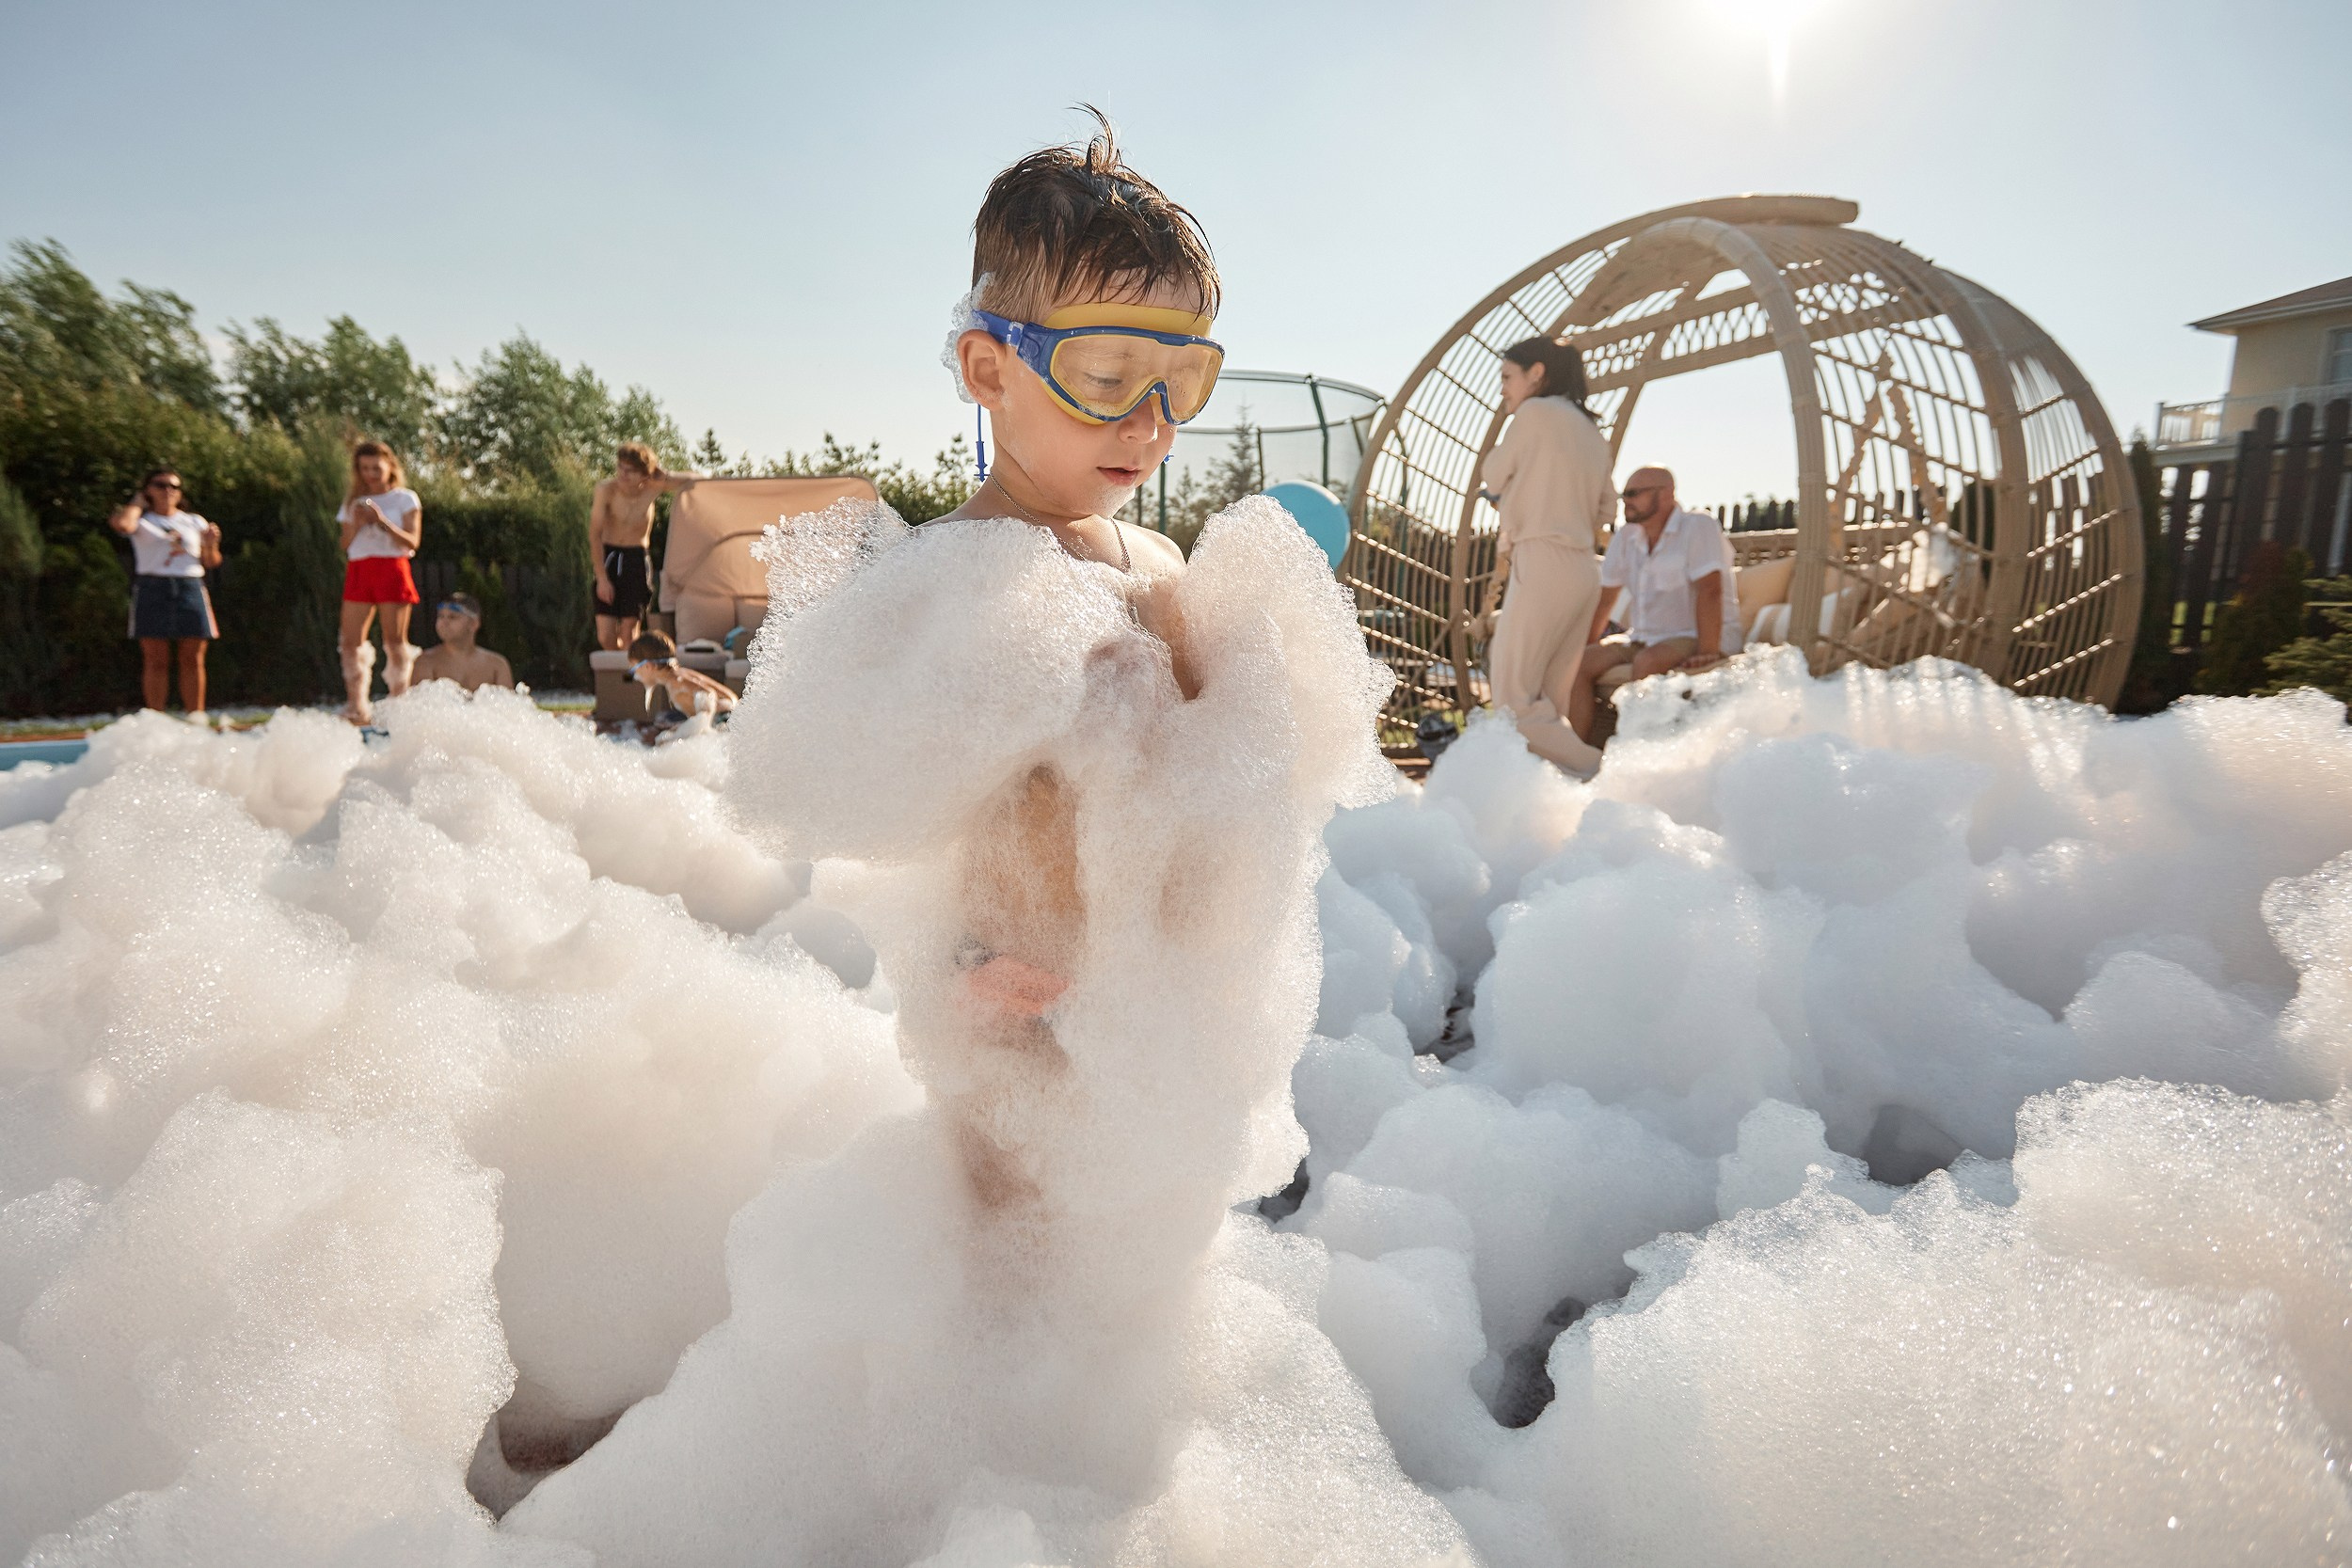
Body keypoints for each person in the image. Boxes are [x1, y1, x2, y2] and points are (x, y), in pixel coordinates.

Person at [1475, 337, 1614, 779]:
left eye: (1507, 377)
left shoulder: (1533, 414)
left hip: (1542, 562)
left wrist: (1510, 494)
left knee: (1514, 702)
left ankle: (1600, 773)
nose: (1502, 390)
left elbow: (1494, 474)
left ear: (1536, 373)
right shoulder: (1591, 430)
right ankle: (1555, 801)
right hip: (1582, 570)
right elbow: (1606, 509)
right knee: (1549, 704)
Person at [1568, 465, 1729, 739]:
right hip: (1641, 638)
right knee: (1577, 663)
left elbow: (1710, 590)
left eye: (1633, 494)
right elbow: (1606, 599)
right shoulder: (1626, 537)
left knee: (1647, 662)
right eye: (1624, 495)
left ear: (1666, 494)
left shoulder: (1697, 526)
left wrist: (1708, 650)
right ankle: (1575, 752)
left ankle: (1637, 754)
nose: (1626, 502)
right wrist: (1587, 643)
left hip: (1688, 636)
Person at [106, 467, 221, 719]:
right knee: (155, 659)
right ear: (148, 489)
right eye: (160, 485)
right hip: (153, 586)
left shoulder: (194, 521)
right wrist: (138, 502)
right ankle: (155, 719)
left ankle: (196, 716)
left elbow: (211, 561)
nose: (168, 490)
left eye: (174, 486)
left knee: (193, 658)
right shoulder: (143, 521)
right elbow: (124, 525)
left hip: (190, 586)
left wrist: (211, 544)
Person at [335, 440, 423, 725]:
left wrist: (381, 520)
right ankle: (356, 706)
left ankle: (399, 705)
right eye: (364, 469)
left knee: (395, 640)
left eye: (376, 467)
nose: (371, 474)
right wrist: (359, 523)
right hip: (360, 568)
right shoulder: (351, 502)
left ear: (390, 466)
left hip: (392, 567)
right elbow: (345, 544)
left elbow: (413, 541)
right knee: (350, 641)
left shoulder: (405, 499)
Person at [591, 443, 698, 652]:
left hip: (636, 558)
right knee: (605, 635)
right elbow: (594, 535)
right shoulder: (606, 490)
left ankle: (630, 680)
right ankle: (618, 674)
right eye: (620, 467)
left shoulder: (652, 487)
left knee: (629, 634)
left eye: (630, 470)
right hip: (610, 556)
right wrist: (602, 578)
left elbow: (695, 479)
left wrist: (664, 474)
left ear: (643, 474)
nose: (623, 474)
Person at [411, 592, 515, 692]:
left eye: (452, 617)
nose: (444, 622)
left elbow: (508, 707)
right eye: (440, 616)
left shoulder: (497, 665)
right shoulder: (426, 662)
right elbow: (421, 706)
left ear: (473, 623)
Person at [625, 629, 736, 719]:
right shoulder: (680, 673)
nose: (634, 672)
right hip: (733, 712)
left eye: (634, 667)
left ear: (648, 666)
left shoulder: (676, 684)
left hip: (728, 718)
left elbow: (708, 694)